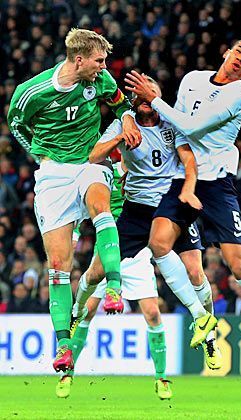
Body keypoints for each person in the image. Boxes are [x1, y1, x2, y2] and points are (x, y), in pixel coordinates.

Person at [124, 39, 241, 376]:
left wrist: (154, 98)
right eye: (239, 51)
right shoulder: (192, 80)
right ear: (225, 52)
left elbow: (192, 126)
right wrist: (187, 174)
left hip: (216, 184)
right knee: (159, 245)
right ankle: (204, 320)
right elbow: (178, 132)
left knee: (238, 265)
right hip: (184, 176)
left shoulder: (237, 95)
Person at [55, 77, 222, 399]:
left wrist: (188, 188)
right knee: (97, 271)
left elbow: (189, 158)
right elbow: (93, 156)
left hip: (171, 205)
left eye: (150, 94)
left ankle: (207, 330)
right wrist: (120, 136)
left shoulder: (172, 122)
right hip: (135, 210)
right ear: (133, 101)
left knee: (195, 271)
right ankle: (75, 316)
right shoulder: (124, 122)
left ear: (158, 95)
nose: (145, 99)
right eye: (139, 96)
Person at [7, 28, 141, 373]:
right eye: (99, 60)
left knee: (101, 206)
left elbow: (120, 102)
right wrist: (39, 154)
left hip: (87, 163)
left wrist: (126, 117)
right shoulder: (31, 92)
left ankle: (114, 286)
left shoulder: (100, 80)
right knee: (58, 265)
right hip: (53, 176)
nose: (104, 66)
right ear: (78, 60)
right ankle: (64, 345)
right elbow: (17, 124)